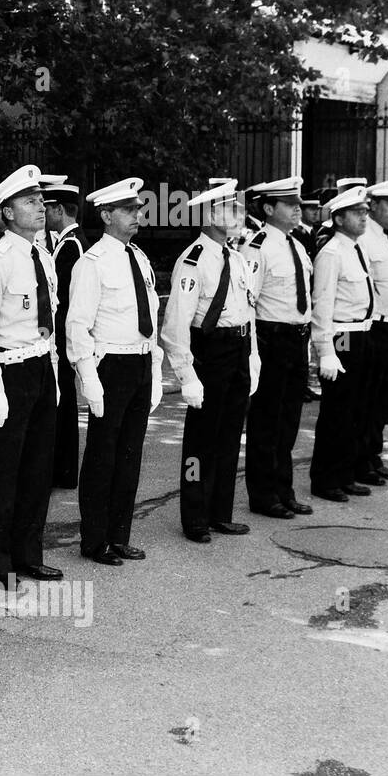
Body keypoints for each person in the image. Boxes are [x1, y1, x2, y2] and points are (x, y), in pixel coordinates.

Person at [0, 165, 63, 604]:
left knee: (37, 468)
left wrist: (55, 375)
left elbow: (48, 322)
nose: (40, 207)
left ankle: (29, 552)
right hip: (9, 370)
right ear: (7, 212)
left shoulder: (42, 254)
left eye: (41, 201)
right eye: (30, 202)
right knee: (3, 472)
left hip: (40, 367)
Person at [68, 178, 162, 565]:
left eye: (138, 209)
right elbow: (77, 326)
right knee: (103, 455)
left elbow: (150, 315)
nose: (137, 215)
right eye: (128, 210)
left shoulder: (137, 256)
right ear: (106, 216)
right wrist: (89, 377)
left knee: (130, 454)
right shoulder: (91, 263)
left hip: (138, 361)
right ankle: (94, 540)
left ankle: (119, 535)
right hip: (111, 364)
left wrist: (154, 369)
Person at [160, 180, 259, 543]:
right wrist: (186, 375)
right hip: (210, 351)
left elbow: (246, 311)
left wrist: (253, 361)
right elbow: (175, 325)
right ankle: (195, 516)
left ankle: (221, 511)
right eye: (232, 210)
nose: (240, 215)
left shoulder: (236, 257)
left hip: (238, 350)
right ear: (211, 215)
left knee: (230, 434)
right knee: (201, 440)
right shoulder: (193, 260)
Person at [241, 177, 314, 519]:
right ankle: (264, 495)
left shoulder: (297, 245)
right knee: (266, 422)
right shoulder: (257, 246)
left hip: (297, 339)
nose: (297, 208)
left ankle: (284, 489)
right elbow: (248, 302)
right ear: (269, 209)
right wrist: (254, 351)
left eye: (298, 202)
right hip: (271, 339)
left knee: (288, 422)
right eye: (289, 203)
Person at [309, 185, 377, 502]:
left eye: (365, 212)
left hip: (361, 333)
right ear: (339, 218)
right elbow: (321, 304)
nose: (364, 217)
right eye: (358, 213)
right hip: (342, 336)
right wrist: (325, 349)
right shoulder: (331, 253)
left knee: (356, 408)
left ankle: (345, 473)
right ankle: (326, 479)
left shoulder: (355, 248)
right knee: (338, 410)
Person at [356, 179, 388, 484]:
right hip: (375, 326)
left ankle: (374, 456)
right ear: (374, 206)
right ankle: (361, 461)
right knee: (367, 398)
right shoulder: (364, 240)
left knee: (383, 399)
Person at [46, 180, 83, 489]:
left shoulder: (73, 245)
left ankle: (66, 470)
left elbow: (69, 299)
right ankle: (62, 467)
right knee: (62, 402)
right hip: (62, 336)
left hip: (65, 338)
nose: (43, 213)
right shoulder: (65, 243)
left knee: (65, 402)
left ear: (58, 210)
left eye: (46, 208)